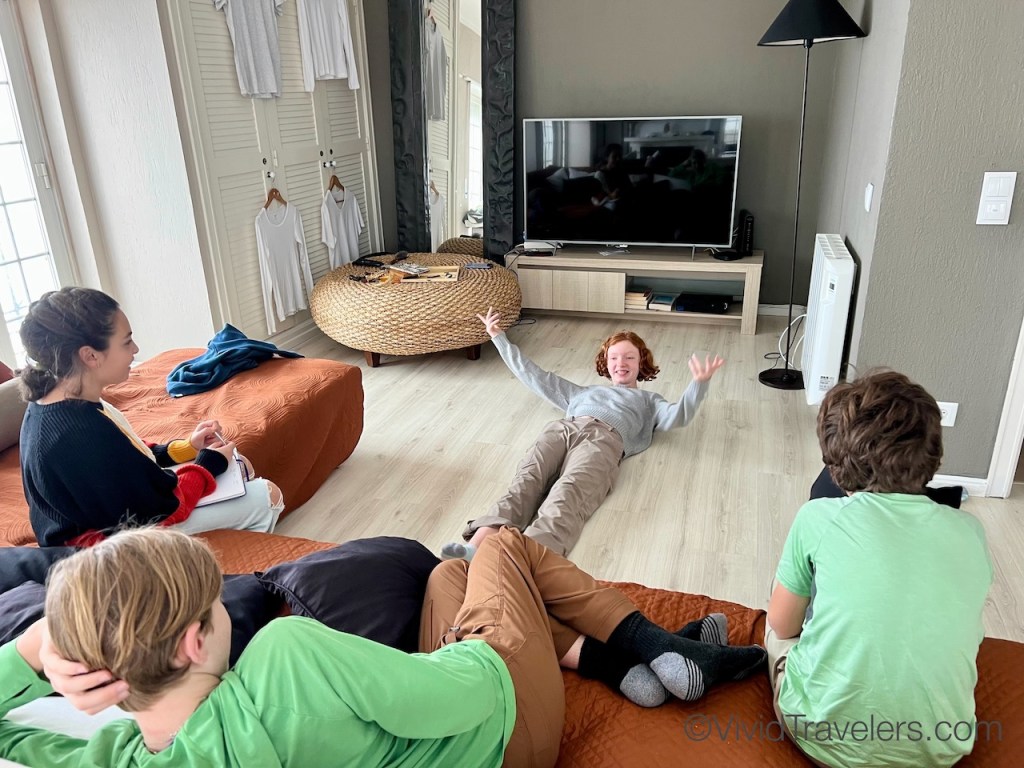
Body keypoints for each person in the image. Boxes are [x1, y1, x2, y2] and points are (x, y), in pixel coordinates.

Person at [2, 527, 768, 766]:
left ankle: (613, 663)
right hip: (506, 728)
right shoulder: (286, 656)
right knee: (499, 543)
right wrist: (470, 643)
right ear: (195, 639)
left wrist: (36, 652)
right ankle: (666, 646)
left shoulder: (124, 758)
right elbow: (468, 691)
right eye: (217, 596)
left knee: (448, 576)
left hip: (468, 727)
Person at [765, 371, 993, 768]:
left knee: (775, 622)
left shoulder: (817, 517)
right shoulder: (970, 531)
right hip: (939, 751)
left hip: (822, 740)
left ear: (834, 461)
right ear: (933, 454)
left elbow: (783, 626)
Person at [443, 311, 723, 560]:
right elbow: (534, 375)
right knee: (526, 482)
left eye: (629, 357)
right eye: (614, 357)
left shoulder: (650, 401)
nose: (621, 363)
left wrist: (698, 385)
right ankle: (475, 549)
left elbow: (678, 416)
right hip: (563, 430)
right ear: (605, 362)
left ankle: (522, 563)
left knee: (568, 494)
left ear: (642, 362)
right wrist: (498, 337)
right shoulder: (583, 392)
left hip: (605, 440)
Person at [18, 287, 283, 546]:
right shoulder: (77, 434)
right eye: (126, 342)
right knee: (267, 495)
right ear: (90, 356)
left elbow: (124, 456)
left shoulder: (62, 401)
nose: (135, 349)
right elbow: (162, 511)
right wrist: (208, 465)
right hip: (104, 546)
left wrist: (187, 448)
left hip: (117, 516)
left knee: (240, 466)